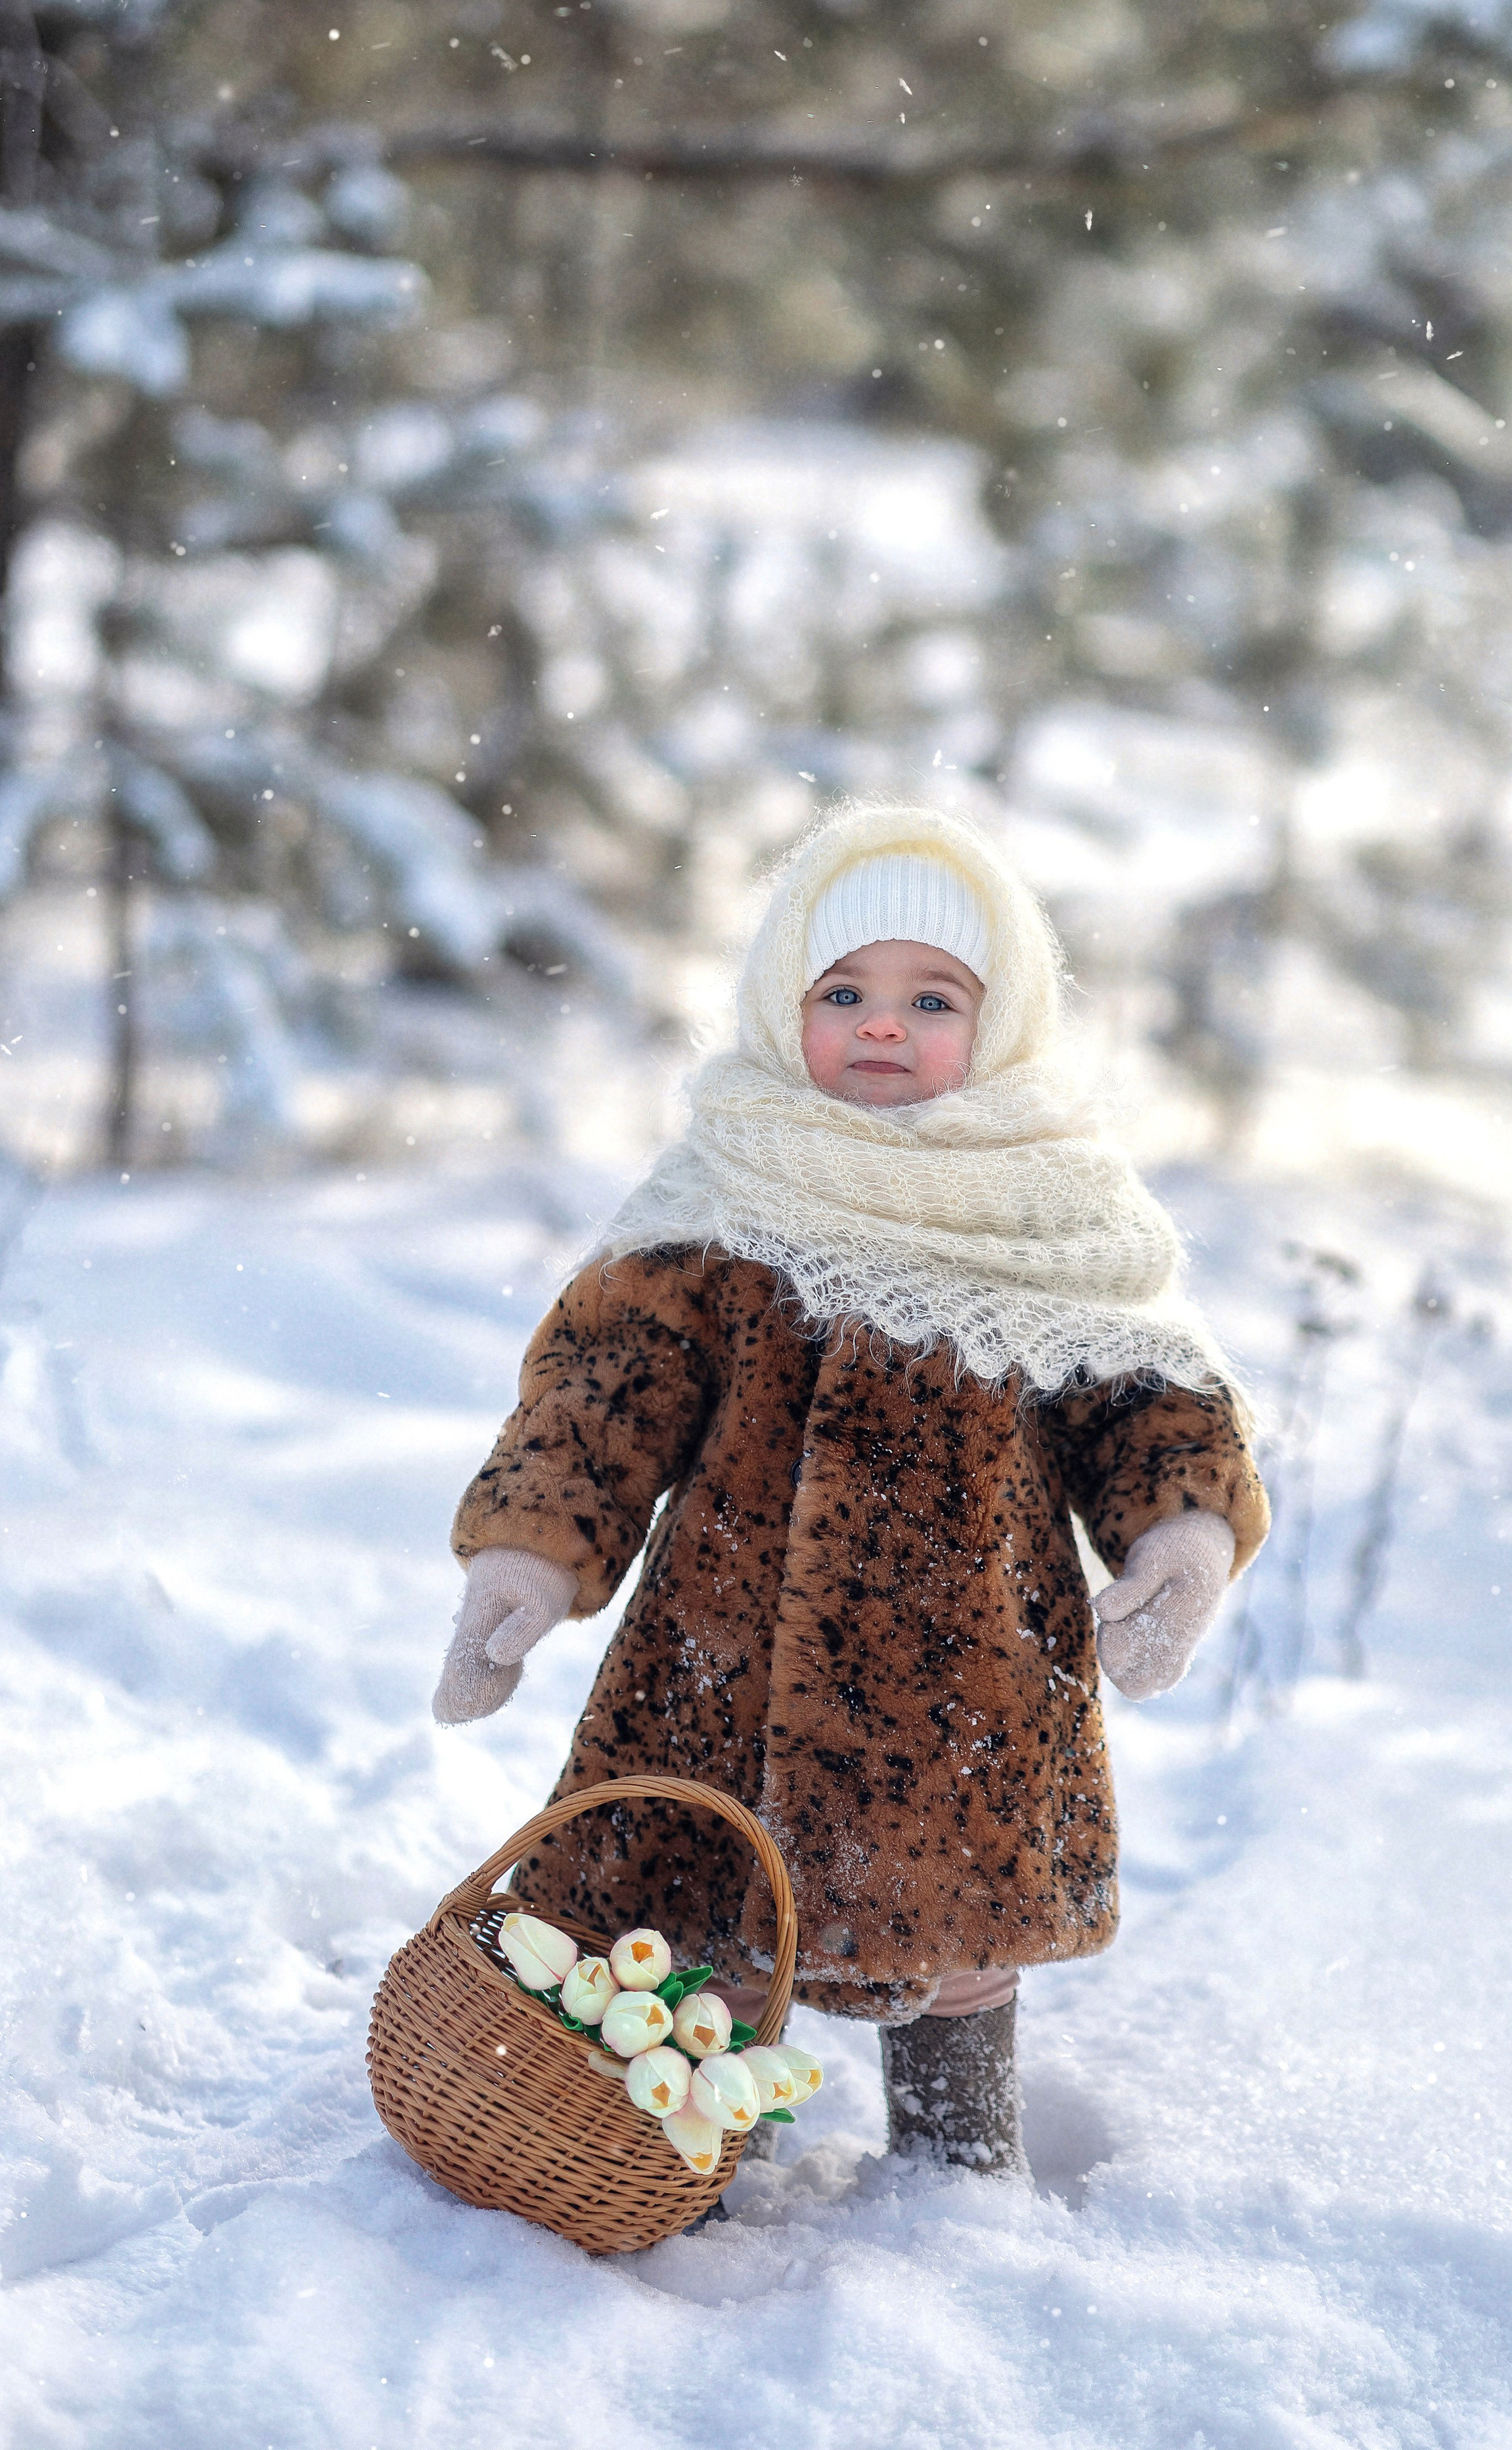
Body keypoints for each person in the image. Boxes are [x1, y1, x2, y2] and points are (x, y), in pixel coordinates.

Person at [433, 803, 1268, 2179]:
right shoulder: (720, 1197)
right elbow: (605, 1392)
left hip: (971, 1675)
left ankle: (958, 2164)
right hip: (721, 1658)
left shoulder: (1050, 1211)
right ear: (784, 1005)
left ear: (1001, 1021)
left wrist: (1179, 1531)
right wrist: (528, 1556)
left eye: (932, 998)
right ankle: (686, 2157)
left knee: (956, 1932)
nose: (883, 1023)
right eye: (842, 993)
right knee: (697, 1914)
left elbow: (1146, 1400)